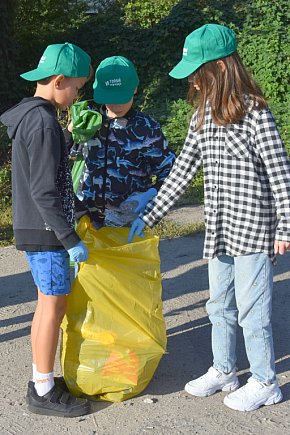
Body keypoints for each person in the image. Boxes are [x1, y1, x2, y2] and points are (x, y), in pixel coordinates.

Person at [128, 23, 290, 412]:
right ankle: (223, 370)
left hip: (253, 230)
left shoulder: (256, 114)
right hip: (218, 232)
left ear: (219, 70)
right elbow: (182, 170)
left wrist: (285, 226)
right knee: (218, 305)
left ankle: (266, 381)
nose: (194, 85)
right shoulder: (199, 118)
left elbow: (280, 174)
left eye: (198, 77)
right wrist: (149, 214)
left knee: (254, 310)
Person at [0, 42, 92, 417]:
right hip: (48, 233)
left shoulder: (35, 118)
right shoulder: (40, 122)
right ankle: (42, 390)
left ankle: (43, 380)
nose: (78, 95)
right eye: (77, 87)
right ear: (58, 81)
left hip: (40, 230)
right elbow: (43, 190)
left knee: (45, 307)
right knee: (53, 307)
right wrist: (69, 239)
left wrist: (67, 137)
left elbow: (45, 171)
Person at [68, 55, 175, 227]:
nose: (116, 105)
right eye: (110, 98)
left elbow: (171, 172)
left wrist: (151, 194)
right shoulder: (87, 121)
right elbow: (64, 162)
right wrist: (70, 134)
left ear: (135, 89)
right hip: (85, 219)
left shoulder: (147, 129)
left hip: (130, 222)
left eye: (121, 98)